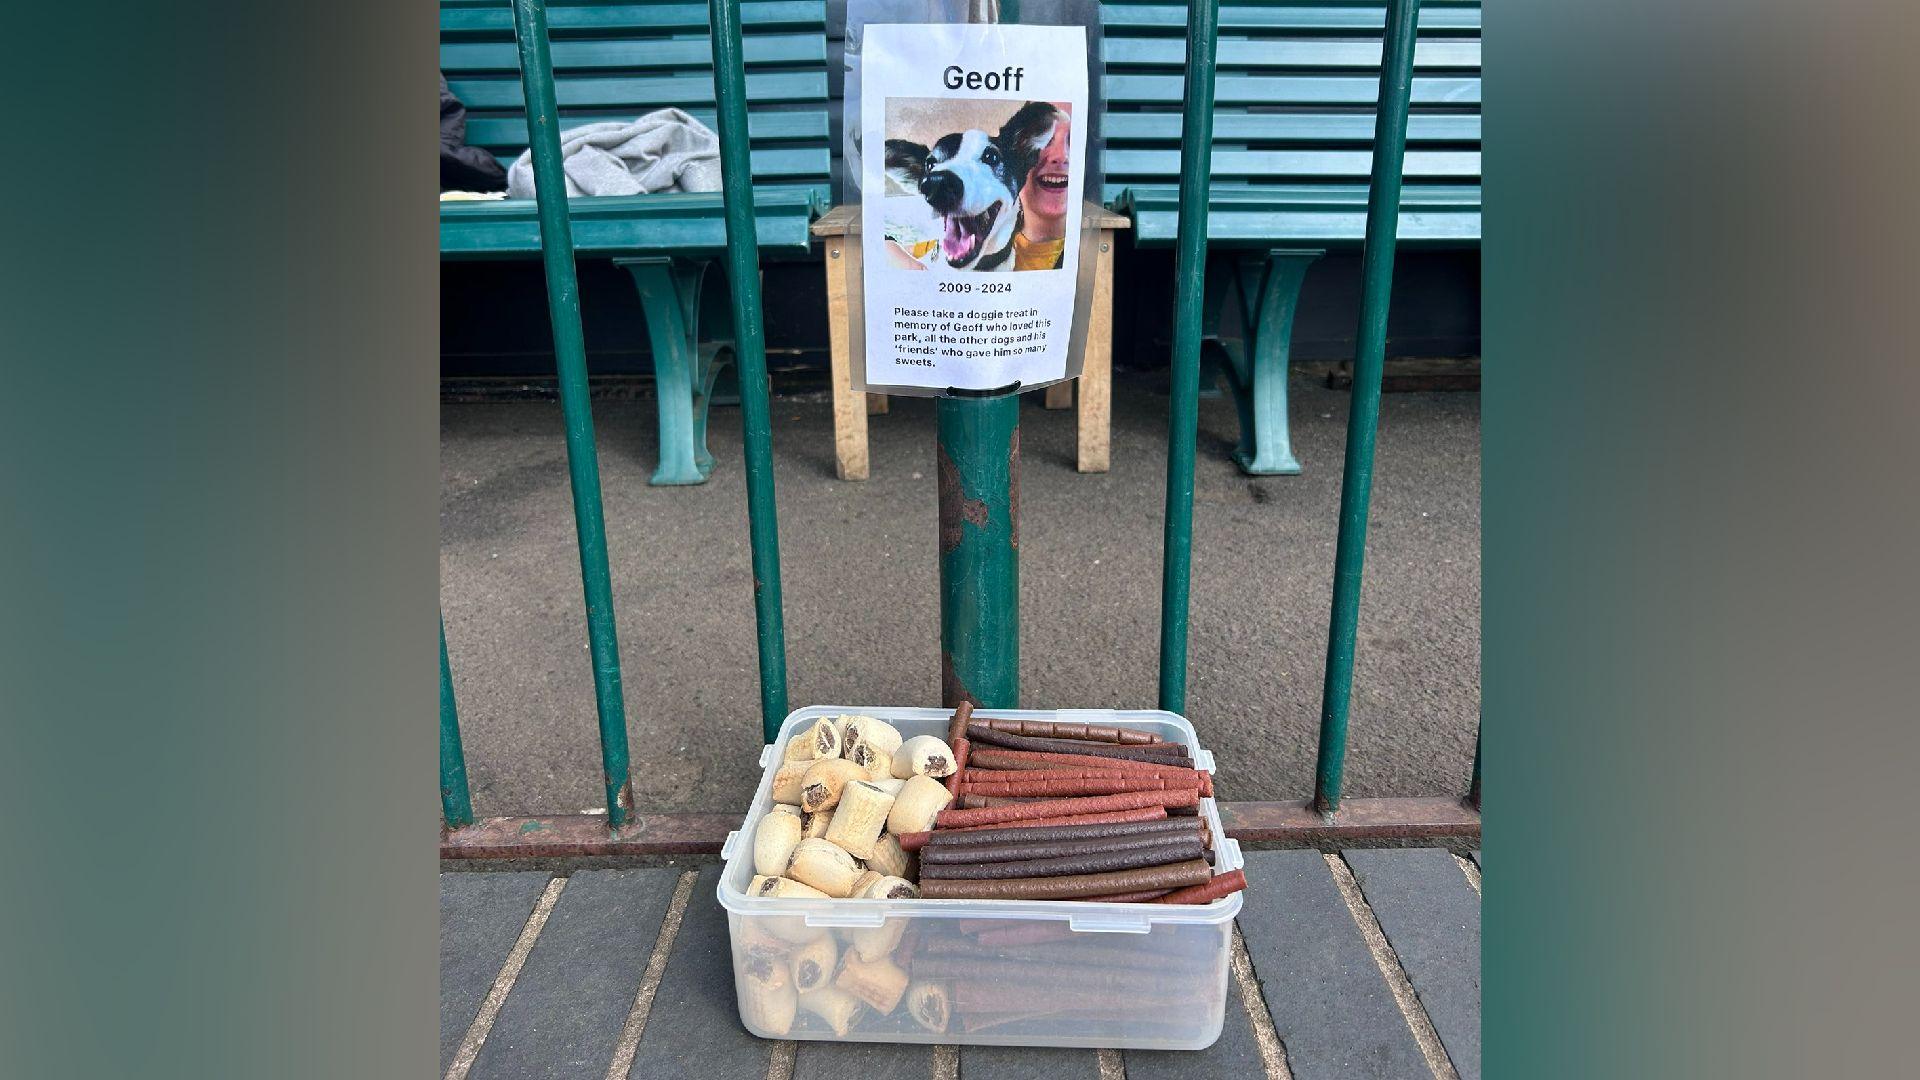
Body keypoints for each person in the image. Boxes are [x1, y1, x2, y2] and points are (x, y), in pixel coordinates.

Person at [1012, 104, 1072, 270]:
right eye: (1043, 137)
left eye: (1075, 139)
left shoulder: (1106, 252)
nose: (1061, 155)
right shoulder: (940, 254)